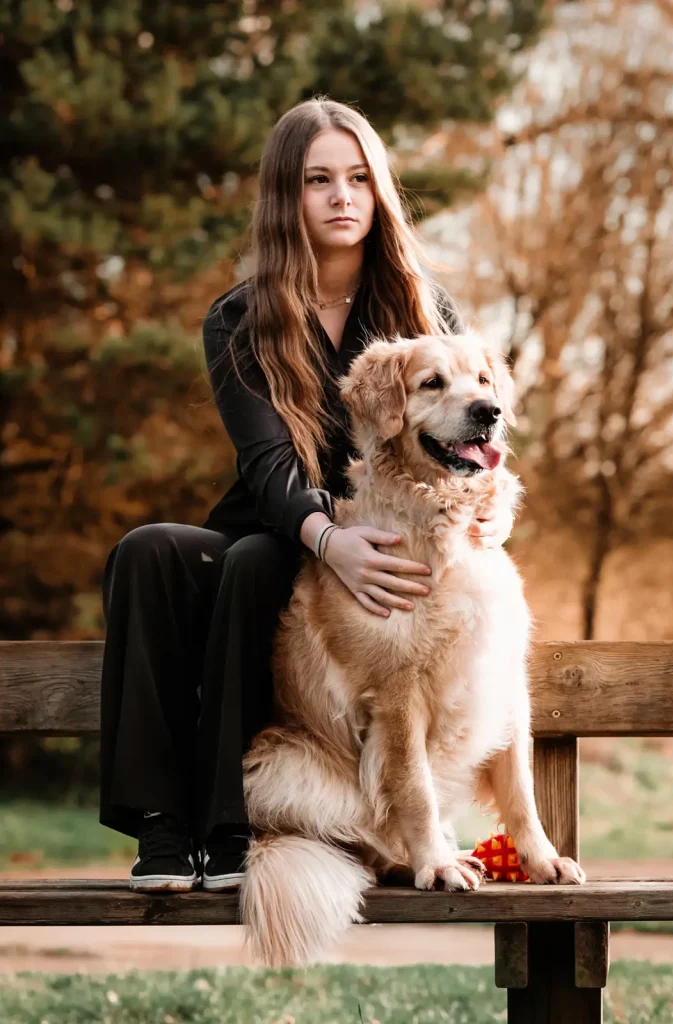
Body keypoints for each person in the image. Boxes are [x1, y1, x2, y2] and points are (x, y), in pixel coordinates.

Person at [99, 97, 513, 894]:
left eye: (357, 178)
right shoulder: (241, 320)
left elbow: (473, 435)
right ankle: (160, 827)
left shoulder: (423, 310)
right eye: (317, 179)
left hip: (382, 546)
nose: (340, 196)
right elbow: (265, 463)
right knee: (151, 548)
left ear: (378, 190)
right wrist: (327, 538)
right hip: (285, 523)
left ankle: (225, 830)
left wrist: (491, 499)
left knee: (259, 561)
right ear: (285, 197)